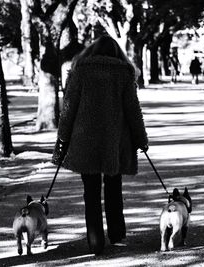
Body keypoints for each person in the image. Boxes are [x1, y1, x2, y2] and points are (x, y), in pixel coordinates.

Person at [52, 35, 148, 255]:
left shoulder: (79, 72)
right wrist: (141, 139)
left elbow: (68, 111)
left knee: (91, 192)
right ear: (117, 53)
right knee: (114, 188)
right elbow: (133, 110)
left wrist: (62, 141)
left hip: (85, 141)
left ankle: (95, 241)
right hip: (115, 141)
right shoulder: (124, 73)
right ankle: (116, 234)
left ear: (91, 52)